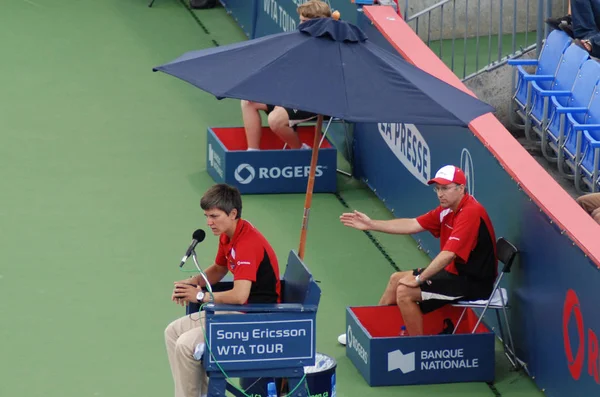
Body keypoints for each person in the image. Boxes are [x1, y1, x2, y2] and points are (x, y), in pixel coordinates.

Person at [338, 165, 497, 341]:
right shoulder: (447, 208)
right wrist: (371, 225)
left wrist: (419, 279)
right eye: (437, 189)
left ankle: (418, 348)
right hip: (454, 273)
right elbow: (414, 224)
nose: (440, 194)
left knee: (405, 292)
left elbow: (448, 255)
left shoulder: (470, 212)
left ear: (461, 189)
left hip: (472, 282)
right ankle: (372, 332)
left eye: (445, 188)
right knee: (395, 279)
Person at [164, 184, 281, 397]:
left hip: (256, 317)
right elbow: (219, 269)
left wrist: (200, 296)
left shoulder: (247, 243)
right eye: (207, 216)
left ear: (233, 213)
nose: (209, 222)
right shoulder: (229, 234)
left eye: (214, 216)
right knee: (172, 332)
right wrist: (191, 282)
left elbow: (239, 295)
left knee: (185, 345)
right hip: (237, 311)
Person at [241, 0, 332, 151]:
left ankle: (299, 150)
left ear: (319, 23)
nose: (300, 24)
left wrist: (286, 99)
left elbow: (316, 86)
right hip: (294, 96)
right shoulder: (302, 39)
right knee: (248, 101)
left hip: (318, 101)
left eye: (304, 21)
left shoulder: (328, 47)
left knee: (275, 120)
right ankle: (252, 152)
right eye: (300, 20)